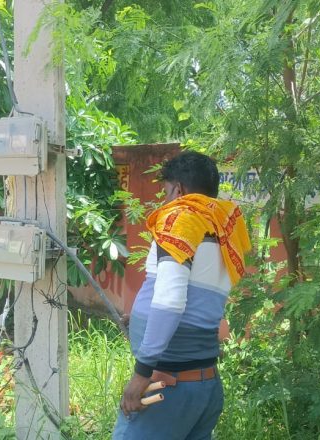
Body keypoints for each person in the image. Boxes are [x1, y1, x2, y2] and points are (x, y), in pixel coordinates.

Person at [112, 151, 251, 440]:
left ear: (179, 190)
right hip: (204, 386)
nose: (165, 200)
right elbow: (201, 303)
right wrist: (140, 320)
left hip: (168, 387)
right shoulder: (225, 230)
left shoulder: (180, 221)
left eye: (165, 192)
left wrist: (141, 375)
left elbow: (170, 300)